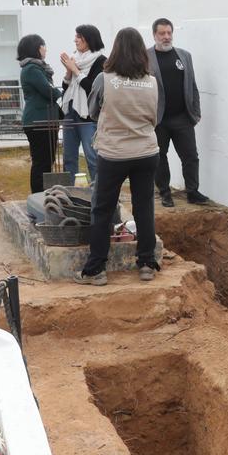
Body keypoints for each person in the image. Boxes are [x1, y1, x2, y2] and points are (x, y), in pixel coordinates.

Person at [72, 28, 161, 286]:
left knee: (102, 210)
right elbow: (156, 117)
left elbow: (92, 111)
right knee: (144, 208)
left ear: (116, 49)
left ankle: (96, 269)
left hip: (114, 153)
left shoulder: (104, 79)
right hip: (146, 152)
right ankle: (146, 263)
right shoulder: (151, 81)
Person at [148, 18, 208, 207]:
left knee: (190, 156)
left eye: (169, 33)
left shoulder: (184, 55)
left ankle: (192, 191)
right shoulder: (145, 57)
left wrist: (195, 113)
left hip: (183, 118)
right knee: (160, 157)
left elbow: (192, 85)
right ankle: (165, 193)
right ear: (154, 35)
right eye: (162, 33)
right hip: (159, 119)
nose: (166, 37)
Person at [58, 24, 106, 186]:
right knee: (69, 156)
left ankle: (100, 192)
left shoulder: (101, 61)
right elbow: (66, 87)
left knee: (92, 156)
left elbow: (93, 88)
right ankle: (70, 192)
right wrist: (69, 72)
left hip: (88, 114)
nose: (75, 40)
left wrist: (76, 71)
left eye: (79, 37)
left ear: (88, 39)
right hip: (70, 112)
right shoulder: (74, 58)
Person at [18, 34, 62, 193]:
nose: (45, 49)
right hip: (38, 122)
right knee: (41, 162)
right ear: (36, 48)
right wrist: (63, 94)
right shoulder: (32, 69)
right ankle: (38, 195)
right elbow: (47, 90)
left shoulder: (36, 67)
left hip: (45, 120)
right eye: (43, 46)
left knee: (46, 161)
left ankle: (43, 194)